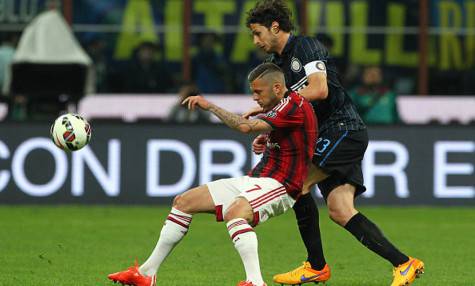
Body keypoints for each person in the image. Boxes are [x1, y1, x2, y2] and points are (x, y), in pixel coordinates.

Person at [244, 1, 424, 285]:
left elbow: (318, 88)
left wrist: (273, 111)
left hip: (342, 130)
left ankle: (315, 266)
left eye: (257, 33)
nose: (255, 41)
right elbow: (296, 112)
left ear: (275, 27)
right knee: (341, 210)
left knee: (298, 183)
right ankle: (404, 263)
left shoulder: (305, 47)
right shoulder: (277, 66)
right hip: (326, 136)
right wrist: (270, 132)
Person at [107, 63, 317, 286]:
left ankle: (255, 282)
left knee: (236, 212)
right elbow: (291, 135)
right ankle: (146, 273)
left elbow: (244, 127)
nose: (254, 97)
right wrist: (267, 138)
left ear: (277, 88)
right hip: (258, 179)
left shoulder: (293, 106)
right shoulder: (282, 105)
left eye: (258, 92)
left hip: (282, 185)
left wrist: (209, 106)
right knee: (184, 201)